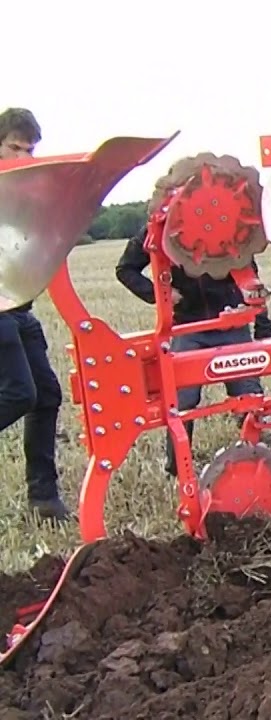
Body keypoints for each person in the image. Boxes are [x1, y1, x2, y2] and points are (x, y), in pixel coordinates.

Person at [115, 214, 271, 478]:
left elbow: (250, 276)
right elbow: (126, 269)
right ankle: (177, 469)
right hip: (189, 327)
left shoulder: (228, 223)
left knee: (249, 395)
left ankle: (263, 460)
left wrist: (262, 325)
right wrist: (160, 294)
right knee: (182, 402)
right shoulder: (158, 229)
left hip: (231, 325)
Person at [0, 108, 71, 522]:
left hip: (20, 309)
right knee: (18, 394)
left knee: (46, 396)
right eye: (14, 148)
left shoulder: (24, 197)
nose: (24, 158)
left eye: (31, 151)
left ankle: (44, 500)